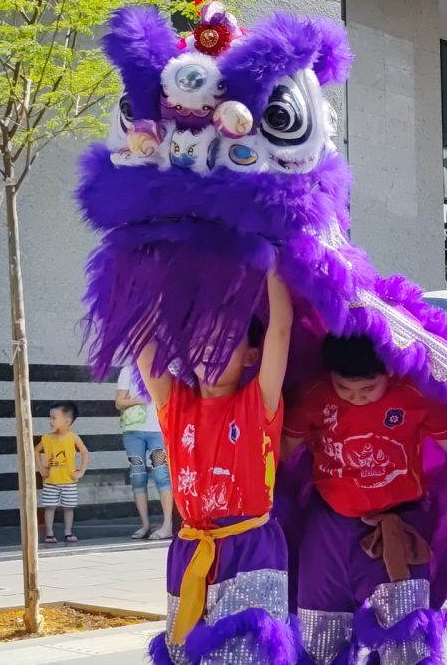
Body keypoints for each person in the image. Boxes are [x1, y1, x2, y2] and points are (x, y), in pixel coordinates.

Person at [138, 269, 294, 663]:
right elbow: (141, 343)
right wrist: (147, 268)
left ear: (251, 356)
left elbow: (280, 329)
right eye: (201, 340)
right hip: (190, 547)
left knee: (244, 653)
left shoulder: (259, 401)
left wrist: (273, 263)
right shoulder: (176, 404)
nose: (210, 349)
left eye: (225, 341)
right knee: (188, 653)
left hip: (251, 548)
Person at [283, 334, 447, 664]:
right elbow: (279, 455)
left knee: (405, 641)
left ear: (390, 371)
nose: (356, 398)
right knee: (319, 637)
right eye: (344, 388)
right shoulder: (313, 395)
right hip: (330, 529)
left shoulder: (416, 394)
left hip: (400, 527)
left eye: (367, 389)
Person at [116, 366, 173, 540]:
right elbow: (119, 402)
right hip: (133, 432)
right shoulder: (128, 370)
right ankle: (145, 525)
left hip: (158, 432)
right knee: (138, 475)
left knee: (161, 473)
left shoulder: (165, 369)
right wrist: (141, 399)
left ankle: (167, 525)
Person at [36, 402, 89, 544]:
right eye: (50, 418)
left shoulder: (73, 437)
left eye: (54, 418)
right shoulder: (47, 438)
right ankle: (49, 534)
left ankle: (68, 532)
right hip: (51, 481)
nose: (50, 421)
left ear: (67, 421)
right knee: (49, 507)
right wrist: (41, 468)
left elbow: (84, 452)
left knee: (69, 508)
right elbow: (36, 450)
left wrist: (81, 471)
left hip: (69, 481)